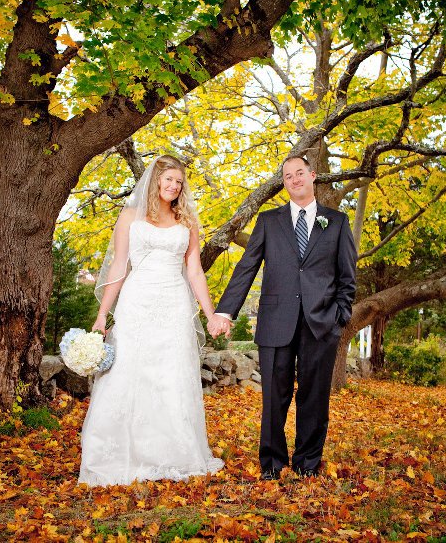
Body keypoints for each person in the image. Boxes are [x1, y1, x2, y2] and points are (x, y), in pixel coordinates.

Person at [79, 155, 224, 486]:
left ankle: (173, 453)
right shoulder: (130, 216)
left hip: (173, 303)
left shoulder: (187, 222)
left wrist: (210, 312)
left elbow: (194, 270)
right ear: (155, 180)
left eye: (179, 182)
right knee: (127, 373)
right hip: (137, 303)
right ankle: (117, 454)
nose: (174, 186)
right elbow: (119, 266)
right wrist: (103, 315)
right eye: (169, 179)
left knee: (171, 375)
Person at [209, 154, 356, 480]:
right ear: (285, 183)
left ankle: (307, 464)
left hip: (321, 324)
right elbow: (247, 266)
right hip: (276, 321)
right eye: (287, 176)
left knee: (314, 397)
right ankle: (272, 464)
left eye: (299, 173)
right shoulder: (268, 220)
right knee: (274, 397)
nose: (294, 180)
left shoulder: (337, 221)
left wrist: (339, 317)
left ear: (312, 175)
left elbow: (347, 278)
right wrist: (225, 310)